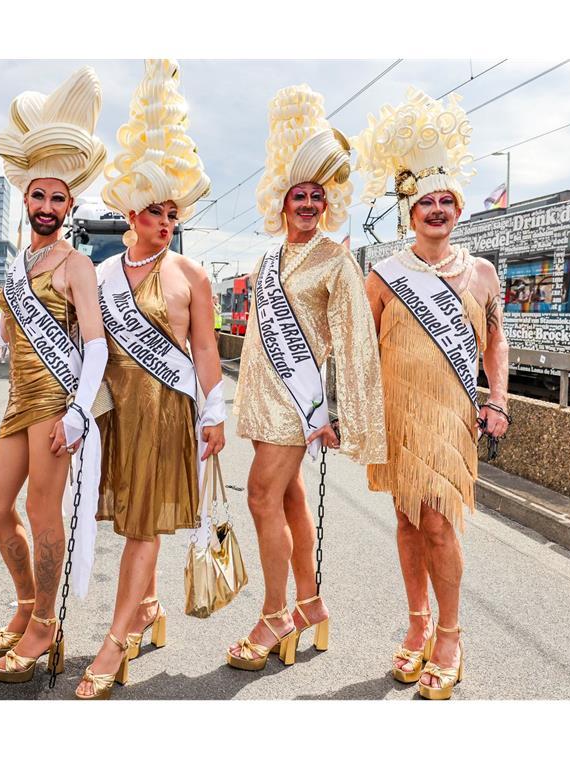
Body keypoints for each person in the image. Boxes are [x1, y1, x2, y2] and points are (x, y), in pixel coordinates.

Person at [76, 60, 225, 699]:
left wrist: (213, 415)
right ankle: (150, 610)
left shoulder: (193, 276)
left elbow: (207, 352)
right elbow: (86, 348)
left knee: (141, 527)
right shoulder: (103, 276)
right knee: (130, 519)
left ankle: (115, 643)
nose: (166, 222)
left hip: (167, 413)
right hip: (117, 414)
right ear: (131, 213)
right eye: (155, 211)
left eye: (172, 212)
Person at [355, 88, 510, 700]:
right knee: (404, 518)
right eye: (427, 202)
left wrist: (496, 399)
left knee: (440, 526)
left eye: (447, 201)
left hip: (451, 417)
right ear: (410, 212)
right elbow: (361, 350)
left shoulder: (482, 273)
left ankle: (450, 635)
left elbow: (495, 343)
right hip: (396, 414)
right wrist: (353, 413)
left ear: (458, 210)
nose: (438, 209)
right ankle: (417, 623)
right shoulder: (384, 275)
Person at [226, 85, 386, 673]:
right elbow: (250, 345)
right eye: (300, 194)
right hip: (265, 399)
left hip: (299, 404)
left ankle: (273, 614)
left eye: (319, 196)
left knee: (262, 496)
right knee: (288, 496)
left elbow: (351, 340)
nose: (309, 204)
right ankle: (311, 605)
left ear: (329, 203)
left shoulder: (335, 259)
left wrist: (339, 413)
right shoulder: (268, 261)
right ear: (283, 199)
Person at [0, 66, 109, 685]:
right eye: (39, 197)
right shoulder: (19, 264)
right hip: (19, 398)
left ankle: (46, 623)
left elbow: (96, 345)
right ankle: (28, 599)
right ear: (25, 199)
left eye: (59, 199)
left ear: (70, 206)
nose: (49, 207)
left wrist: (80, 412)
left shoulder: (76, 264)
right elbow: (9, 332)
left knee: (42, 508)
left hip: (56, 401)